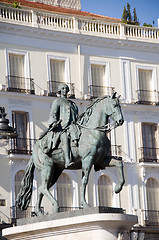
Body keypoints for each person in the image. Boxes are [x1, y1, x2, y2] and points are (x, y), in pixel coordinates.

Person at [47, 83, 80, 168]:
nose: (65, 90)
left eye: (66, 89)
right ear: (60, 90)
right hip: (62, 127)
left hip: (73, 126)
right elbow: (53, 114)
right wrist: (54, 122)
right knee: (65, 138)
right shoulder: (57, 101)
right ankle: (67, 160)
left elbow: (76, 116)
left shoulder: (72, 104)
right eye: (63, 89)